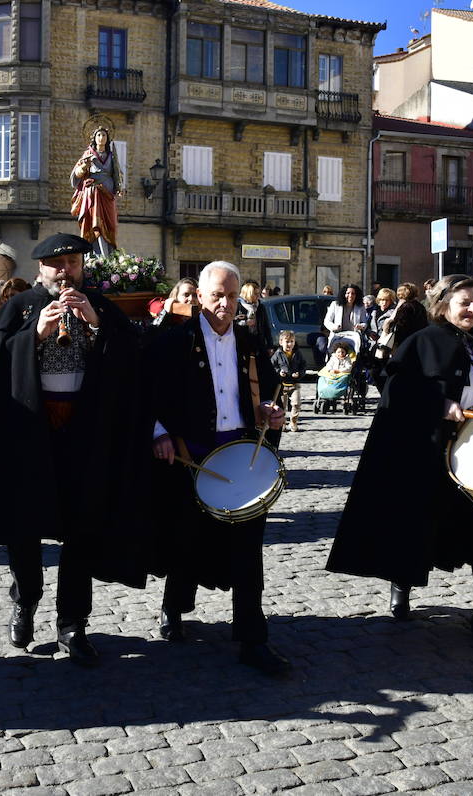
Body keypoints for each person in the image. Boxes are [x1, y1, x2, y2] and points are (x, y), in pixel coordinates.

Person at [0, 234, 150, 666]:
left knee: (82, 529)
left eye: (73, 262)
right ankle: (26, 598)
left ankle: (73, 623)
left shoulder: (101, 307)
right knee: (24, 525)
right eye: (57, 265)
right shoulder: (19, 308)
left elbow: (131, 361)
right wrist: (34, 337)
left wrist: (96, 327)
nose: (66, 271)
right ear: (41, 270)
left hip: (83, 434)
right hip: (30, 434)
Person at [327, 274, 473, 653]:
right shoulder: (422, 342)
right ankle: (402, 587)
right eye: (465, 302)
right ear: (443, 304)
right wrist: (439, 404)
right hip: (429, 455)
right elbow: (395, 389)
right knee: (415, 527)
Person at [148, 261, 289, 676]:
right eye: (216, 296)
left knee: (248, 550)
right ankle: (174, 608)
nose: (225, 305)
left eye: (231, 295)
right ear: (200, 296)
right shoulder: (173, 341)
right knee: (186, 540)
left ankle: (252, 638)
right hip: (191, 454)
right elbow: (147, 394)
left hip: (240, 456)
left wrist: (268, 412)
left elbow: (261, 393)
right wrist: (158, 433)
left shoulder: (249, 341)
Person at [70, 127, 124, 255]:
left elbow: (117, 173)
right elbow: (76, 174)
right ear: (94, 138)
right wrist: (84, 166)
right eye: (99, 135)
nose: (101, 138)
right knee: (93, 222)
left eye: (104, 135)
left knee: (109, 223)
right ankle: (93, 254)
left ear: (107, 138)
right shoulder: (88, 154)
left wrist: (119, 188)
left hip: (108, 194)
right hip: (93, 193)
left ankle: (108, 254)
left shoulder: (111, 155)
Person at [318, 284, 371, 364]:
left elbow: (365, 323)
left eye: (353, 293)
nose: (350, 296)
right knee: (335, 357)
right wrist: (334, 327)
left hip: (353, 336)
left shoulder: (360, 306)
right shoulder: (335, 304)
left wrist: (361, 326)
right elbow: (327, 321)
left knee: (354, 356)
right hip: (338, 335)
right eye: (348, 293)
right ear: (343, 294)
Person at [271, 329, 307, 432]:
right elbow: (272, 366)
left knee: (296, 403)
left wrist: (299, 373)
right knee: (282, 406)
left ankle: (293, 422)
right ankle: (282, 423)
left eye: (292, 341)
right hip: (281, 385)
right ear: (281, 342)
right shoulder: (278, 354)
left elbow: (303, 366)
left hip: (294, 384)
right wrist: (278, 372)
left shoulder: (297, 353)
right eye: (287, 341)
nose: (289, 344)